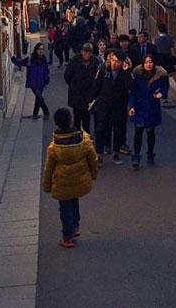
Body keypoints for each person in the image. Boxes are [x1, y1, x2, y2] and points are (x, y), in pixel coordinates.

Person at [43, 107, 98, 248]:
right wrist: (93, 174)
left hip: (62, 182)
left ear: (56, 123)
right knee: (74, 201)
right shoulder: (83, 141)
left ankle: (67, 236)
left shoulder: (54, 147)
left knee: (65, 208)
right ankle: (75, 226)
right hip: (78, 178)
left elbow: (48, 168)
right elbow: (93, 158)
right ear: (71, 121)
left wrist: (47, 186)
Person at [90, 49, 135, 165]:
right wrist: (90, 100)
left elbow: (130, 87)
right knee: (101, 129)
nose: (114, 63)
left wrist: (126, 72)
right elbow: (96, 86)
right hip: (104, 105)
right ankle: (98, 153)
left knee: (118, 130)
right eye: (113, 60)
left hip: (119, 106)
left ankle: (116, 153)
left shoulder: (125, 73)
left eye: (117, 61)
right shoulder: (104, 70)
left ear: (122, 62)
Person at [128, 55, 169, 169]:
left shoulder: (160, 76)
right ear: (143, 64)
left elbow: (165, 89)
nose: (148, 64)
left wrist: (161, 94)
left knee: (150, 131)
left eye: (150, 62)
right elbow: (133, 93)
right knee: (138, 131)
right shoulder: (137, 75)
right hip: (139, 106)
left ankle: (150, 153)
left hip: (152, 107)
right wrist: (132, 106)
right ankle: (136, 157)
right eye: (146, 62)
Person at [64, 43, 101, 134]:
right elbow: (67, 75)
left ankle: (86, 137)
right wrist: (74, 85)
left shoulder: (95, 61)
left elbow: (97, 76)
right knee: (77, 118)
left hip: (89, 94)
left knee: (86, 119)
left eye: (90, 52)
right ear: (82, 52)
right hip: (76, 94)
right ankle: (76, 136)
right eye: (86, 52)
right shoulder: (75, 61)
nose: (87, 54)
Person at [11, 43, 51, 119]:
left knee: (38, 98)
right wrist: (13, 59)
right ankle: (46, 112)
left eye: (42, 49)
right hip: (33, 82)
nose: (41, 51)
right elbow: (21, 62)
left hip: (41, 82)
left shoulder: (44, 59)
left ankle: (35, 114)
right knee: (39, 97)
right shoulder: (31, 59)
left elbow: (46, 71)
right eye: (39, 49)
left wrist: (47, 80)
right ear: (36, 50)